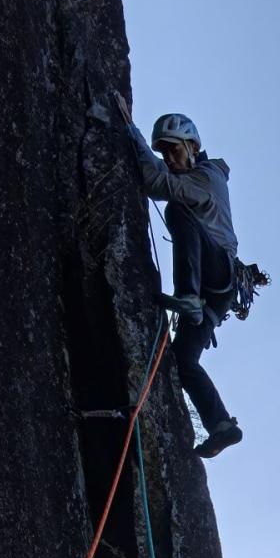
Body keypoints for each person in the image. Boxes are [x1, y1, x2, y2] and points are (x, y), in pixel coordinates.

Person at [116, 96, 243, 458]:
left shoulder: (207, 177)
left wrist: (132, 133)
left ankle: (185, 295)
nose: (170, 159)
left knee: (179, 211)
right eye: (165, 153)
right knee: (183, 360)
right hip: (213, 296)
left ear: (192, 146)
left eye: (173, 151)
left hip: (214, 277)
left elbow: (161, 186)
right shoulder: (199, 175)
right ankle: (222, 425)